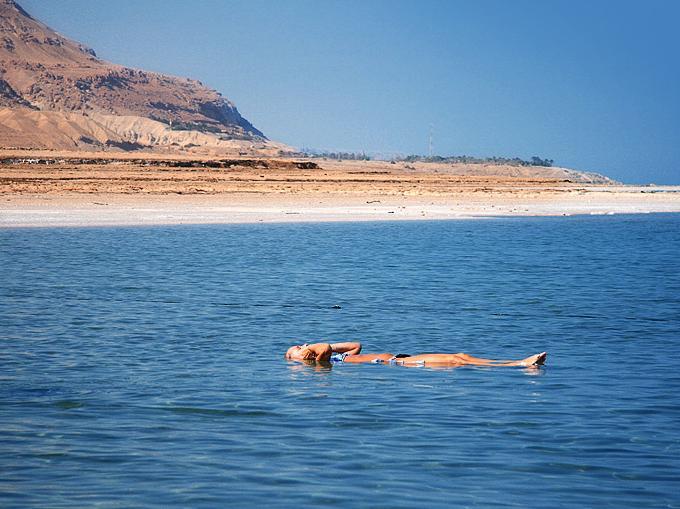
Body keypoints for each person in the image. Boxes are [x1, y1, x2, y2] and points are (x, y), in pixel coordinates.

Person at [284, 341, 547, 367]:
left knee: (461, 355)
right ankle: (519, 364)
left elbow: (355, 343)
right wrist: (310, 347)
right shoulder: (321, 363)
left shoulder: (330, 360)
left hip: (400, 358)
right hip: (399, 365)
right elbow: (326, 348)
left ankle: (516, 362)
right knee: (456, 361)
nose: (299, 345)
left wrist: (306, 349)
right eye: (294, 349)